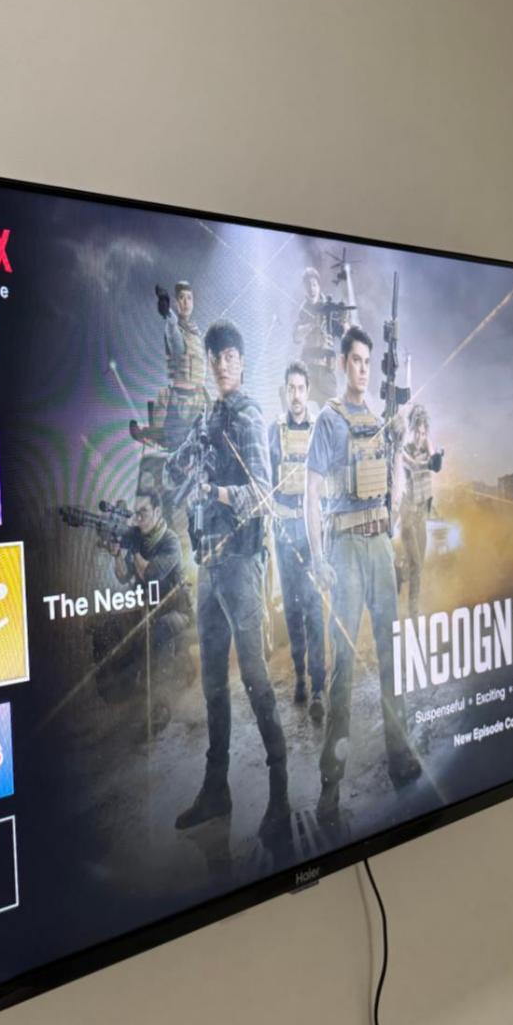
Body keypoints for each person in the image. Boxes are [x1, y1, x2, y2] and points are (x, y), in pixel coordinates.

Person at [164, 319, 288, 832]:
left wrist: (215, 491)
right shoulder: (207, 419)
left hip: (239, 563)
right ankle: (217, 791)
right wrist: (185, 460)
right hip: (209, 567)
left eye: (229, 356)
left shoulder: (248, 417)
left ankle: (280, 794)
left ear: (241, 362)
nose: (220, 365)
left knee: (255, 676)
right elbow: (170, 471)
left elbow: (263, 494)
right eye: (214, 357)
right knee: (213, 682)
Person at [304, 325, 420, 820]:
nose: (362, 369)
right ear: (341, 363)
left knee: (393, 656)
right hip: (346, 549)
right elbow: (311, 493)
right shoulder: (328, 421)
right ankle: (331, 785)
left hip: (378, 547)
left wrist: (398, 450)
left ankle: (400, 756)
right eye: (355, 360)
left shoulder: (378, 420)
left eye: (367, 362)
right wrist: (318, 557)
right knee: (344, 672)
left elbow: (394, 493)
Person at [268, 360, 326, 719]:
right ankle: (301, 676)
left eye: (301, 388)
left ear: (308, 391)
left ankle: (318, 686)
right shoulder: (274, 432)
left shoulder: (319, 431)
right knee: (291, 609)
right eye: (290, 388)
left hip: (311, 531)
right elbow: (266, 479)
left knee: (314, 608)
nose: (296, 395)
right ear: (285, 392)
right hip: (285, 533)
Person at [108, 491, 192, 658]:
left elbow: (151, 574)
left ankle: (164, 674)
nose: (138, 519)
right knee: (114, 629)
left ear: (157, 512)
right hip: (148, 611)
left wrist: (134, 549)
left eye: (143, 512)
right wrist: (117, 555)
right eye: (136, 513)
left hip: (177, 612)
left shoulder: (170, 541)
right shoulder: (140, 538)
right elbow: (123, 576)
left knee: (159, 629)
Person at [399, 404, 444, 617]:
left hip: (421, 517)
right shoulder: (403, 450)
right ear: (411, 430)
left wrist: (436, 457)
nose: (420, 437)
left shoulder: (426, 443)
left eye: (423, 433)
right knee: (416, 565)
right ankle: (413, 612)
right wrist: (431, 464)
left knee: (419, 566)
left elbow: (434, 456)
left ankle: (402, 571)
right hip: (408, 517)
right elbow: (415, 466)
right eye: (417, 432)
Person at [155, 281, 209, 451]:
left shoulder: (195, 333)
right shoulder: (173, 328)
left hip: (197, 402)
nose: (186, 303)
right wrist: (167, 312)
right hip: (180, 403)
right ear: (176, 302)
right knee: (177, 453)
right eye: (181, 298)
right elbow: (175, 340)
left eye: (189, 298)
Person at [293, 267, 349, 409]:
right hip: (308, 373)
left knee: (331, 413)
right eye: (308, 285)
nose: (311, 289)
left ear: (319, 286)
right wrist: (311, 324)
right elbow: (296, 336)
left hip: (326, 373)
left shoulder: (329, 309)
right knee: (298, 410)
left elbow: (344, 334)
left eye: (314, 285)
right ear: (304, 288)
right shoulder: (303, 310)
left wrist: (344, 321)